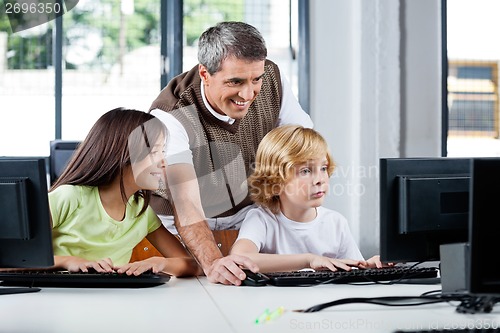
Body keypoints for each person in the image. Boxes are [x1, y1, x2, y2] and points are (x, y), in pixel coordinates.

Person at [149, 21, 313, 285]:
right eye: (235, 81)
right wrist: (214, 264)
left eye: (255, 79)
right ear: (205, 74)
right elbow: (186, 204)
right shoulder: (171, 115)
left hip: (249, 212)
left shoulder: (272, 76)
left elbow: (303, 148)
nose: (248, 93)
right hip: (180, 224)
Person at [48, 108, 202, 277]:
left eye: (163, 152)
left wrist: (158, 262)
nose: (164, 162)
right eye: (155, 152)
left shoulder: (141, 212)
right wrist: (67, 261)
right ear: (123, 152)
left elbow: (191, 265)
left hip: (112, 299)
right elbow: (15, 260)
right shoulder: (68, 197)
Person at [230, 125, 386, 272]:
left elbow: (351, 269)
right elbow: (240, 259)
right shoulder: (262, 219)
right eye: (305, 171)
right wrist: (308, 260)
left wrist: (369, 267)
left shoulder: (336, 223)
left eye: (323, 168)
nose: (320, 179)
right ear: (275, 183)